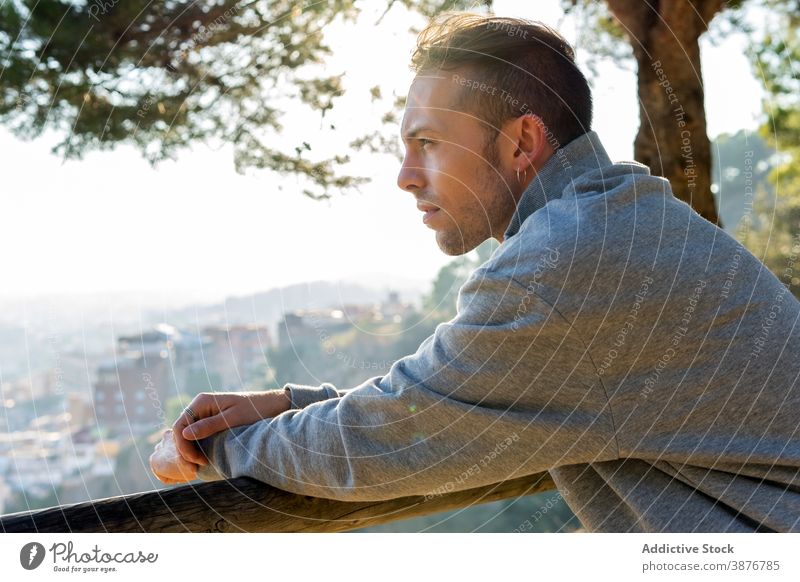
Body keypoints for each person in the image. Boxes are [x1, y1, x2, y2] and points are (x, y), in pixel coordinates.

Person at [150, 12, 800, 533]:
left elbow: (379, 444)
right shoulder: (626, 218)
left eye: (428, 143)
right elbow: (453, 405)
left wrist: (215, 445)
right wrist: (297, 405)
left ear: (521, 142)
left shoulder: (566, 261)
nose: (404, 176)